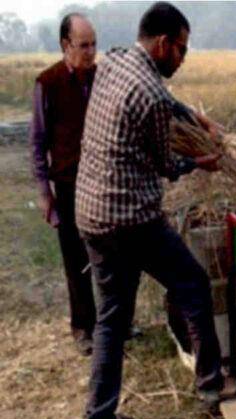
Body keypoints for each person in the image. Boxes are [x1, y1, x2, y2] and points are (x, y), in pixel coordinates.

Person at [74, 2, 224, 419]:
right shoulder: (152, 98)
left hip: (91, 215)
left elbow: (165, 103)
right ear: (162, 44)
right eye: (180, 49)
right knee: (193, 285)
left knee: (111, 318)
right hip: (131, 221)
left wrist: (192, 116)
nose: (182, 58)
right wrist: (203, 162)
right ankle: (212, 387)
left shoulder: (116, 59)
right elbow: (167, 166)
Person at [29, 13, 98, 356]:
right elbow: (38, 142)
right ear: (65, 46)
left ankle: (114, 324)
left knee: (111, 256)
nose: (90, 52)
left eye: (93, 44)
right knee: (76, 259)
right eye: (83, 46)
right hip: (69, 185)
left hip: (102, 184)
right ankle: (83, 327)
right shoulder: (48, 83)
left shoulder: (101, 79)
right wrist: (44, 192)